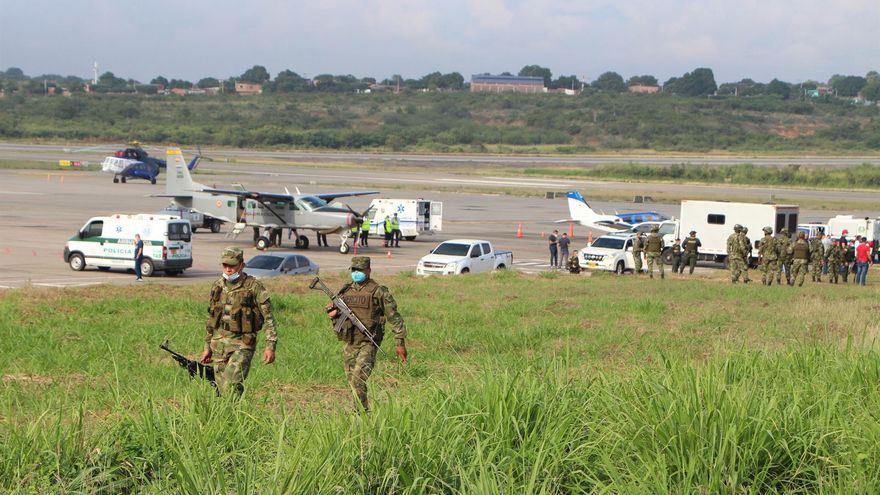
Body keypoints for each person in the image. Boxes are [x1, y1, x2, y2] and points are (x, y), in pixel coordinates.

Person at [326, 256, 407, 411]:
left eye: (360, 270)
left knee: (359, 379)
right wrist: (333, 313)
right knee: (352, 381)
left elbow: (394, 317)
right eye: (354, 270)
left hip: (368, 342)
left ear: (368, 270)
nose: (356, 273)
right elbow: (337, 311)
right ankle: (360, 412)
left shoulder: (378, 291)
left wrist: (400, 343)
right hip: (350, 341)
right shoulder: (346, 290)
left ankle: (361, 412)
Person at [200, 247, 278, 396]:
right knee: (222, 390)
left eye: (232, 265)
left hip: (243, 344)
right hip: (219, 345)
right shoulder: (218, 286)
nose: (228, 269)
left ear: (242, 265)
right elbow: (211, 319)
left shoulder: (254, 287)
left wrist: (270, 346)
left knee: (232, 383)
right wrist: (207, 347)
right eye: (225, 265)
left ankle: (235, 405)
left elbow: (269, 319)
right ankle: (233, 410)